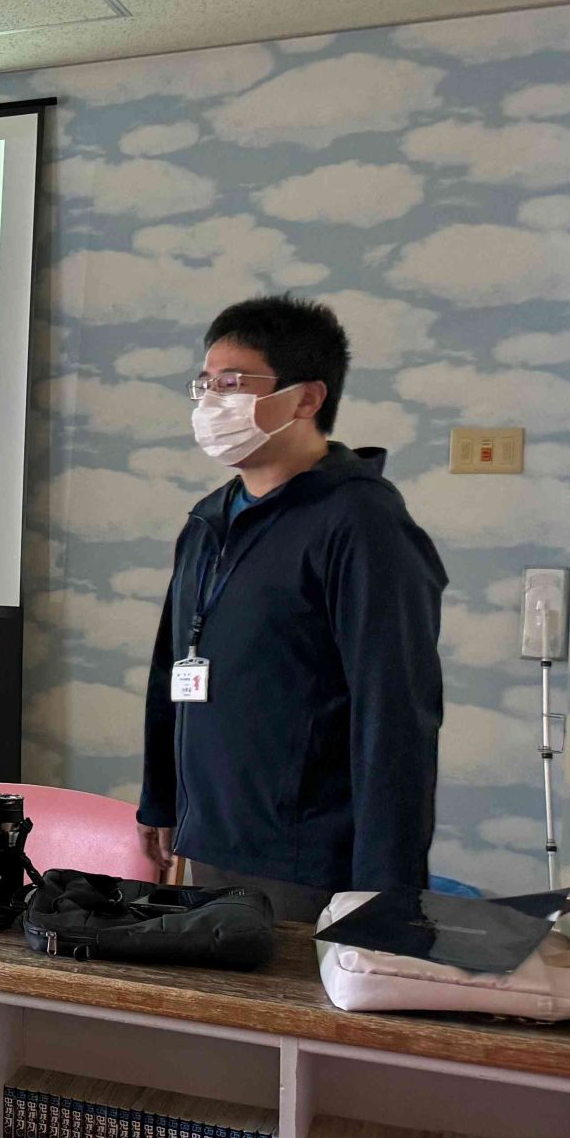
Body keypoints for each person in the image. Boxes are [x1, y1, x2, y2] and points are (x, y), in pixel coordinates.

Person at [139, 296, 448, 920]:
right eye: (204, 383)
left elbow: (396, 715)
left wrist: (386, 887)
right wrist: (163, 801)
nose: (210, 401)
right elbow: (171, 669)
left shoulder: (361, 525)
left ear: (307, 398)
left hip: (306, 859)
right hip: (214, 839)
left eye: (233, 383)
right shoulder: (208, 520)